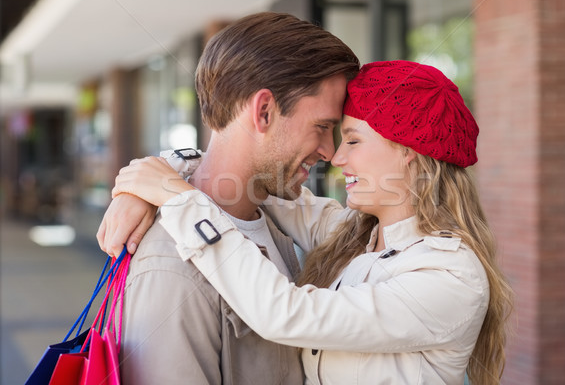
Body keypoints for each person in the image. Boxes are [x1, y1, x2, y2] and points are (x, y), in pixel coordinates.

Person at [102, 60, 513, 384]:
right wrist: (153, 176)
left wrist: (173, 196)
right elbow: (249, 174)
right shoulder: (356, 233)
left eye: (352, 140)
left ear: (408, 152)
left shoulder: (449, 275)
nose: (336, 157)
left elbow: (286, 314)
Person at [97, 11, 360, 384]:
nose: (329, 152)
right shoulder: (171, 266)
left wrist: (163, 173)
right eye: (322, 127)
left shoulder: (277, 217)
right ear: (264, 111)